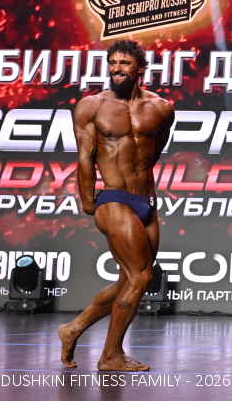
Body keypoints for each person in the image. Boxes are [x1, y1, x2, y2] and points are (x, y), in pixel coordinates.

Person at [58, 39, 174, 371]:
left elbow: (154, 151)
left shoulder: (161, 107)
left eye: (124, 63)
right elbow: (85, 156)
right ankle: (111, 355)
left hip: (146, 201)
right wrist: (88, 200)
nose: (117, 69)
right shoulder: (92, 106)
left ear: (140, 69)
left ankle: (73, 328)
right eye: (112, 63)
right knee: (141, 276)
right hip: (113, 198)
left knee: (130, 280)